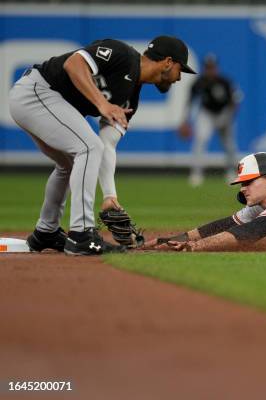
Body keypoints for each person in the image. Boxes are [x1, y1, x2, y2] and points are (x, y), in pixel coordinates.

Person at [9, 35, 196, 255]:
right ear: (167, 62)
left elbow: (107, 145)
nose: (179, 78)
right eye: (180, 69)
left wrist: (110, 197)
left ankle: (46, 231)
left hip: (45, 101)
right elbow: (74, 63)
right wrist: (102, 104)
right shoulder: (121, 53)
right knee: (88, 148)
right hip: (36, 92)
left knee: (71, 163)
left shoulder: (129, 99)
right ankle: (81, 235)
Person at [178, 54, 240, 186]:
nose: (210, 70)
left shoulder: (225, 82)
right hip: (207, 114)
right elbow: (190, 102)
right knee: (200, 140)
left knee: (229, 145)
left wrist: (229, 119)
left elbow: (235, 101)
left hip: (225, 114)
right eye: (207, 67)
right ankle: (196, 173)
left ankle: (231, 172)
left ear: (216, 68)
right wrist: (185, 121)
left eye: (212, 67)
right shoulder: (199, 83)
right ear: (204, 68)